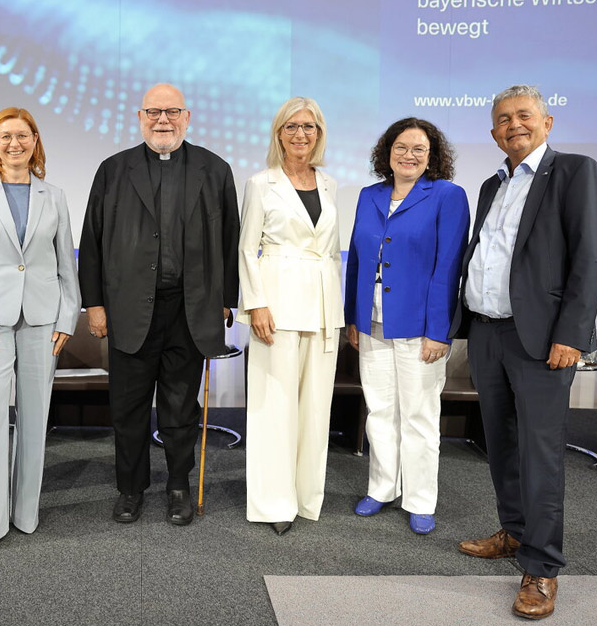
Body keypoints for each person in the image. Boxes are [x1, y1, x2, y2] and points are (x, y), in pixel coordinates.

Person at [451, 85, 597, 619]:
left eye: (524, 115)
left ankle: (542, 567)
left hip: (542, 339)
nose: (514, 124)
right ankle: (514, 532)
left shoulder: (575, 172)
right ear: (493, 133)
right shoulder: (492, 184)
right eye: (504, 119)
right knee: (502, 445)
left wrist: (573, 334)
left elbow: (589, 258)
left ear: (547, 122)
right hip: (488, 334)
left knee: (541, 455)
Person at [79, 83, 239, 526]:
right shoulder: (113, 170)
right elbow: (91, 241)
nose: (162, 120)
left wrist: (227, 300)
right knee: (128, 409)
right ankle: (130, 488)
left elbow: (231, 239)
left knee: (180, 409)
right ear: (140, 117)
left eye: (171, 112)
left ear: (187, 117)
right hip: (129, 310)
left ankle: (178, 486)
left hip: (190, 311)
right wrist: (94, 304)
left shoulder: (214, 169)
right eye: (153, 112)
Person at [0, 107, 80, 550]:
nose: (14, 143)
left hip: (43, 320)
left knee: (35, 417)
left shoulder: (54, 195)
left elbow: (66, 262)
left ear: (35, 141)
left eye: (23, 135)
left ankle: (25, 513)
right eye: (5, 135)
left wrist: (68, 317)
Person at [344, 118, 469, 535]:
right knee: (380, 411)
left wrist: (439, 331)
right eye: (401, 147)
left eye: (419, 149)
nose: (409, 155)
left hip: (420, 326)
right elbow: (357, 260)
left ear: (432, 156)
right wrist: (353, 317)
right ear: (387, 152)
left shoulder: (447, 196)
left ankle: (419, 499)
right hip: (373, 322)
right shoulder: (370, 195)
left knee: (418, 414)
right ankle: (381, 488)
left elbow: (448, 268)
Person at [237, 97, 344, 535]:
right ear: (279, 133)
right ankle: (274, 502)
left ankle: (304, 496)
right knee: (274, 407)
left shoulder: (330, 184)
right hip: (276, 306)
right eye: (292, 126)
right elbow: (247, 249)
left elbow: (332, 252)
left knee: (315, 408)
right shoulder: (260, 183)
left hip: (322, 308)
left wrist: (336, 310)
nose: (301, 134)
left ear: (319, 133)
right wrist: (256, 304)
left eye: (309, 126)